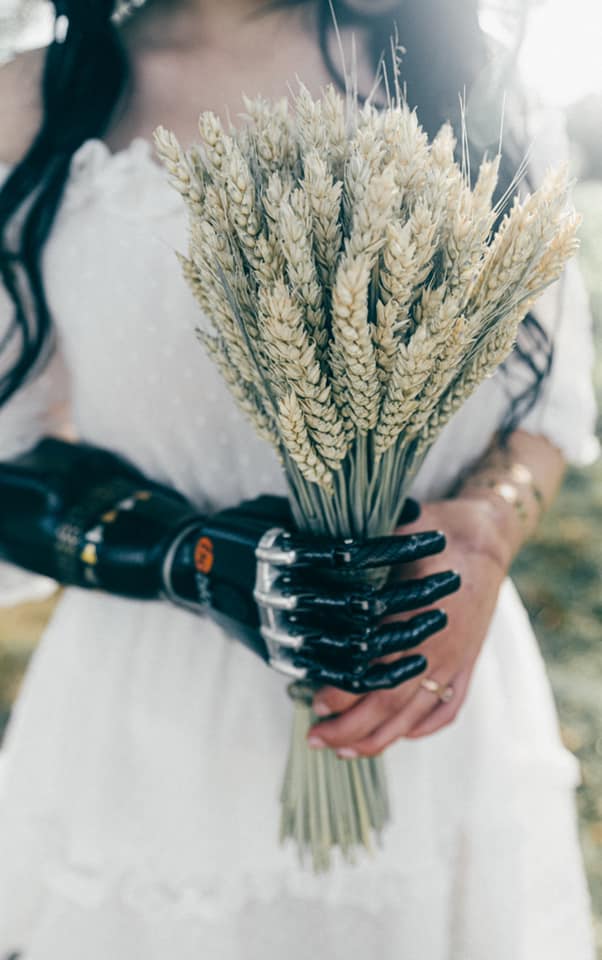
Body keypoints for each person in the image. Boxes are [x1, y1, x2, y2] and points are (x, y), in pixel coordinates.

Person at [0, 0, 597, 957]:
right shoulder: (32, 102)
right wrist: (187, 558)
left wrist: (489, 527)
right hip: (155, 719)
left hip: (420, 666)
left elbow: (550, 406)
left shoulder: (467, 73)